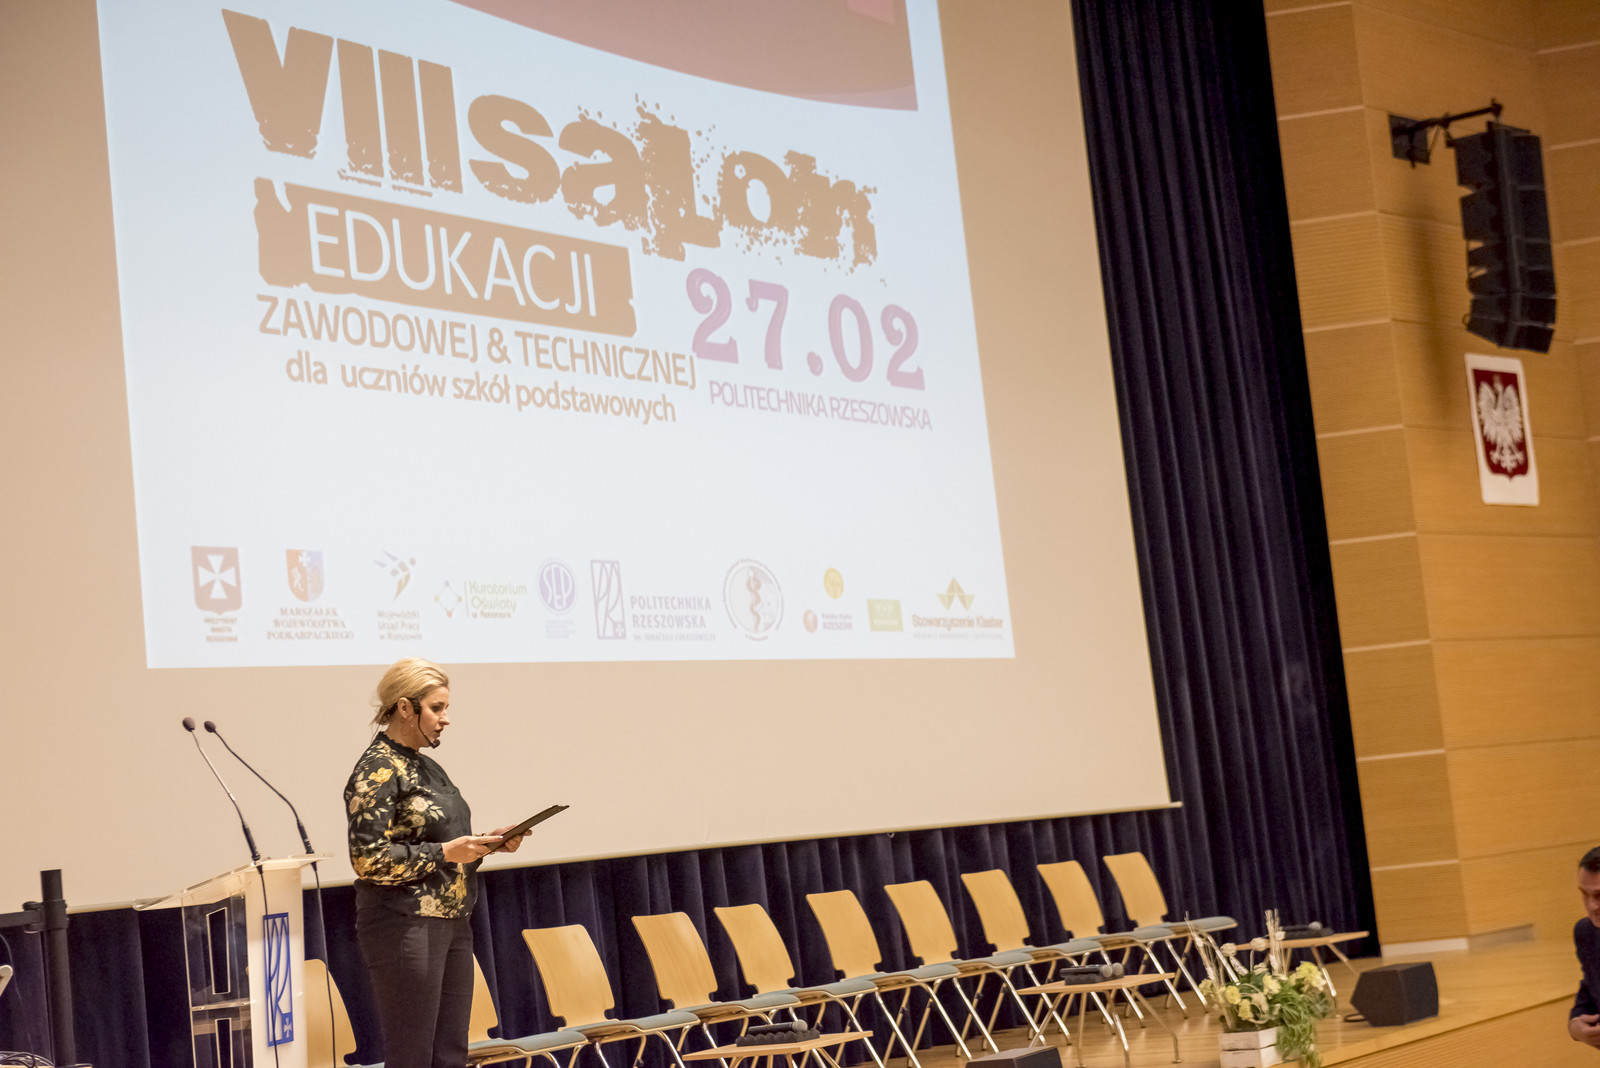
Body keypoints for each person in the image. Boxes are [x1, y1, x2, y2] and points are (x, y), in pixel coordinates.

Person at [345, 657, 525, 1068]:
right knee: (413, 1055)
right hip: (404, 925)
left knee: (450, 1054)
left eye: (446, 708)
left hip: (452, 922)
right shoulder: (377, 769)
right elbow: (368, 859)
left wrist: (489, 845)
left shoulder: (427, 766)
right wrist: (444, 852)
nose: (446, 718)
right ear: (405, 708)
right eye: (437, 708)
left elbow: (445, 846)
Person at [1571, 847, 1600, 1048]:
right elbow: (1590, 989)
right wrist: (1575, 1025)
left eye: (1599, 896)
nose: (1591, 906)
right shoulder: (1585, 933)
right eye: (1584, 895)